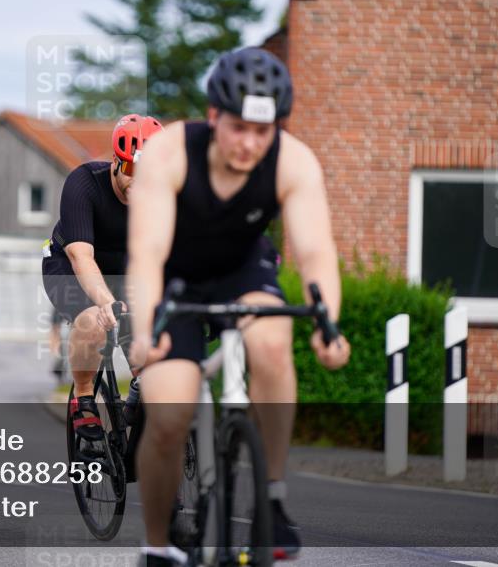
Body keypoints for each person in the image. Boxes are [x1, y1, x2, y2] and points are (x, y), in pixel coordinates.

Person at [125, 48, 351, 566]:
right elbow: (147, 253)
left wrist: (328, 324)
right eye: (238, 128)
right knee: (169, 414)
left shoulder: (294, 162)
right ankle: (157, 544)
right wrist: (145, 331)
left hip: (243, 270)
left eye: (262, 131)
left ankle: (272, 498)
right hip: (175, 279)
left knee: (271, 344)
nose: (249, 144)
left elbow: (316, 253)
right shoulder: (168, 153)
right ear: (213, 117)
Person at [42, 114, 163, 443]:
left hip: (125, 270)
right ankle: (83, 398)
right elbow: (82, 257)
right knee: (93, 322)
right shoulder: (84, 183)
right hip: (69, 266)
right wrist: (107, 302)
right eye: (133, 169)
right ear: (116, 161)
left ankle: (137, 410)